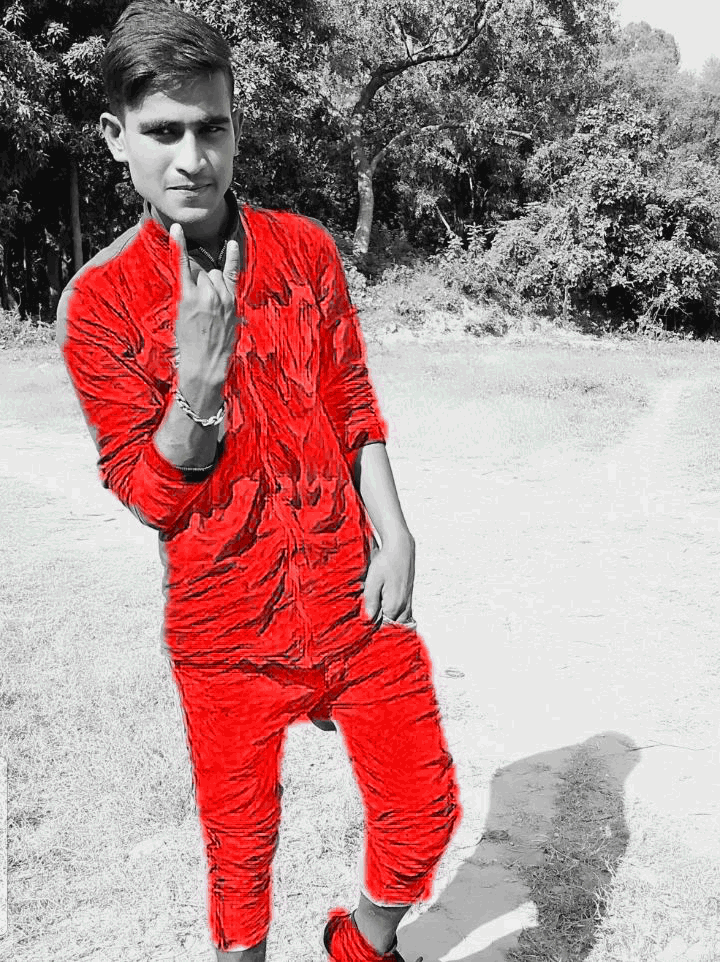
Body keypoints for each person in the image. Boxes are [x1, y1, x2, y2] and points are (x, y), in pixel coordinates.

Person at [56, 3, 461, 960]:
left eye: (213, 127)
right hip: (225, 631)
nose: (192, 158)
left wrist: (395, 531)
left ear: (237, 126)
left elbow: (351, 401)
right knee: (240, 868)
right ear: (116, 137)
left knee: (425, 805)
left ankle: (363, 943)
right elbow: (150, 496)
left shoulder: (307, 249)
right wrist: (199, 379)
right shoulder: (99, 303)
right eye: (164, 132)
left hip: (351, 592)